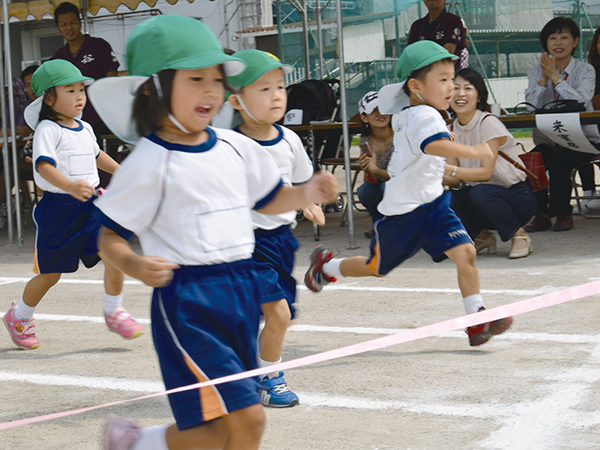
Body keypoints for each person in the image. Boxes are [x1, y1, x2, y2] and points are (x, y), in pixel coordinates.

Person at [86, 16, 337, 449]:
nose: (211, 90)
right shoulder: (149, 162)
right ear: (155, 89)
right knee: (250, 420)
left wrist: (304, 193)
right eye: (196, 78)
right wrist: (135, 265)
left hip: (241, 289)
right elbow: (108, 236)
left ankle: (137, 442)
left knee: (220, 429)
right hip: (189, 303)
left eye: (217, 79)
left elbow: (268, 198)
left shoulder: (235, 145)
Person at [304, 40, 513, 348]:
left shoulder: (416, 113)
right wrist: (473, 150)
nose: (452, 88)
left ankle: (476, 321)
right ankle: (326, 266)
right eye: (443, 80)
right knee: (375, 268)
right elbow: (432, 146)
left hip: (434, 205)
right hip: (404, 214)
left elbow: (428, 144)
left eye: (453, 81)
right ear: (416, 85)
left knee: (465, 253)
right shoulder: (422, 115)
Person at [2, 60, 143, 351]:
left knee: (112, 248)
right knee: (50, 274)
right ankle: (19, 316)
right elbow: (43, 166)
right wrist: (68, 186)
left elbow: (96, 155)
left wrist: (123, 172)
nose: (80, 96)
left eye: (81, 89)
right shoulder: (47, 129)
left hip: (90, 203)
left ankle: (114, 310)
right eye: (71, 90)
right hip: (58, 209)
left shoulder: (86, 127)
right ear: (48, 99)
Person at [227, 49, 324, 408]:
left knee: (273, 316)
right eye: (263, 89)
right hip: (244, 244)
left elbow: (300, 182)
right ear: (237, 100)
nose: (277, 96)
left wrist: (310, 203)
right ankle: (270, 378)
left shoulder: (289, 140)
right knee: (277, 313)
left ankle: (248, 371)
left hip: (281, 241)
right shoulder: (229, 144)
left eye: (280, 87)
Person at [445, 68, 537, 259]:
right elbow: (454, 182)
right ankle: (482, 236)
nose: (460, 93)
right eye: (454, 88)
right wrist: (431, 173)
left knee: (480, 191)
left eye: (467, 88)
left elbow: (485, 173)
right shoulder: (450, 129)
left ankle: (518, 234)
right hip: (480, 199)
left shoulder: (488, 122)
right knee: (445, 199)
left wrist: (449, 170)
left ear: (479, 97)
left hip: (516, 197)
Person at [524, 17, 600, 232]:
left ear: (575, 41)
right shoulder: (536, 70)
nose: (558, 42)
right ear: (546, 43)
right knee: (534, 160)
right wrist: (542, 80)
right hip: (549, 137)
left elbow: (580, 102)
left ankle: (563, 213)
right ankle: (541, 214)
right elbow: (530, 108)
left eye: (564, 37)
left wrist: (556, 78)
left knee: (558, 162)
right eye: (552, 38)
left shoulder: (586, 70)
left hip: (583, 140)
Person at [53, 2, 120, 187]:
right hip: (73, 125)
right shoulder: (58, 57)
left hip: (102, 121)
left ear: (80, 22)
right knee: (80, 172)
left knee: (105, 170)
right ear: (58, 27)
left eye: (72, 22)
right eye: (64, 24)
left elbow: (112, 81)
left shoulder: (99, 46)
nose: (69, 28)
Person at [356, 91, 393, 239]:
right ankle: (378, 224)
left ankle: (392, 225)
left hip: (403, 182)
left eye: (383, 108)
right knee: (365, 191)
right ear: (364, 117)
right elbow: (369, 179)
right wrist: (366, 169)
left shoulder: (400, 134)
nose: (380, 113)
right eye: (373, 110)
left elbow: (401, 174)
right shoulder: (366, 140)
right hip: (382, 181)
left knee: (387, 187)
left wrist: (375, 169)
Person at [408, 0, 469, 71]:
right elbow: (410, 55)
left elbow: (447, 54)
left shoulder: (453, 21)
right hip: (421, 75)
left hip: (446, 75)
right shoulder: (417, 25)